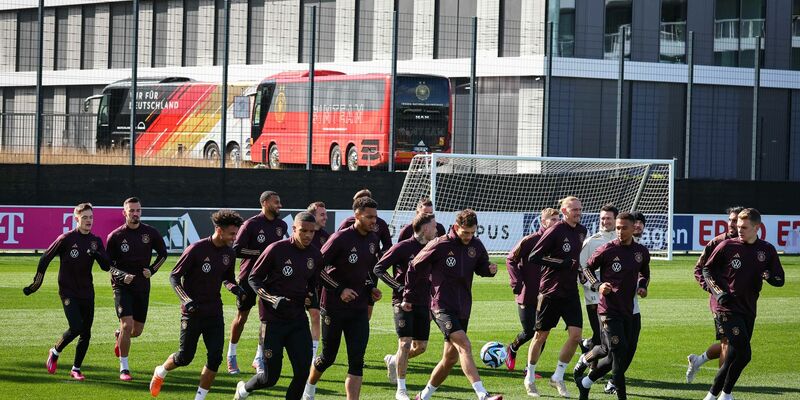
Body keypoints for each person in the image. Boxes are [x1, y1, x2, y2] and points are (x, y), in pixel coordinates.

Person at [404, 209, 502, 400]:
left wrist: (489, 270)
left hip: (463, 307)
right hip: (441, 305)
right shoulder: (440, 244)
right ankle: (483, 395)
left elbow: (481, 266)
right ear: (456, 227)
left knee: (449, 359)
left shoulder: (476, 245)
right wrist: (408, 295)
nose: (469, 236)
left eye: (472, 232)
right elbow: (414, 266)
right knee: (465, 345)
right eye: (465, 232)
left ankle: (422, 396)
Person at [149, 209, 246, 400]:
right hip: (192, 313)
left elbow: (227, 278)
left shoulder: (229, 252)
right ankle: (160, 371)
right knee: (185, 358)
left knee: (215, 358)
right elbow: (174, 277)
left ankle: (199, 398)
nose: (235, 238)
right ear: (219, 230)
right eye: (232, 234)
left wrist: (236, 289)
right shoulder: (196, 249)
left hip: (214, 312)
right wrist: (186, 300)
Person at [233, 212, 323, 400]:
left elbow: (313, 285)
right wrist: (272, 299)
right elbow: (253, 278)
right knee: (269, 378)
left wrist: (309, 298)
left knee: (302, 372)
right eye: (303, 231)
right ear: (293, 229)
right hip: (272, 323)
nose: (308, 235)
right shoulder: (276, 249)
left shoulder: (315, 254)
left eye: (311, 232)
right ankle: (243, 390)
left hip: (298, 321)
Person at [302, 197, 383, 400]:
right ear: (357, 215)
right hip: (334, 306)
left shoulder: (373, 239)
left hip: (358, 308)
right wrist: (340, 290)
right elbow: (316, 269)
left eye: (376, 216)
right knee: (328, 357)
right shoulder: (340, 239)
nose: (374, 221)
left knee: (357, 360)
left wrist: (371, 287)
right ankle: (309, 388)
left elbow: (364, 270)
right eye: (370, 217)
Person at [699, 208, 784, 400]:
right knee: (745, 354)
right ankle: (725, 394)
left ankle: (715, 396)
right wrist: (719, 293)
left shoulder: (767, 250)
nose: (739, 230)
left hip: (749, 309)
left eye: (744, 227)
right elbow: (707, 270)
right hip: (727, 309)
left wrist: (770, 277)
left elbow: (780, 279)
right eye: (738, 226)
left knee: (732, 357)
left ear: (757, 228)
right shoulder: (727, 246)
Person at [23, 203, 111, 381]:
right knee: (76, 327)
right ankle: (55, 351)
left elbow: (106, 266)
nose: (88, 221)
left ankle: (76, 369)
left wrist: (96, 254)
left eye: (91, 217)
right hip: (68, 291)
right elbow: (45, 257)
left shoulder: (96, 241)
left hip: (87, 292)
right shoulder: (66, 239)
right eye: (84, 217)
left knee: (86, 333)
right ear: (76, 218)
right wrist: (36, 283)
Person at [574, 212, 651, 400]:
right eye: (618, 227)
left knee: (619, 355)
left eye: (624, 228)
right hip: (609, 311)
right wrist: (599, 285)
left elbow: (644, 273)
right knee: (618, 354)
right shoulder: (607, 250)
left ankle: (585, 382)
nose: (620, 231)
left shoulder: (641, 252)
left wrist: (642, 286)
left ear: (634, 228)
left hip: (631, 311)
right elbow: (587, 269)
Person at [525, 196, 587, 397]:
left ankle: (558, 377)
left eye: (580, 209)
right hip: (550, 292)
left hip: (570, 292)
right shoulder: (555, 230)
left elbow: (576, 261)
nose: (578, 212)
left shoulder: (581, 231)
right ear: (564, 211)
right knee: (541, 336)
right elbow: (534, 256)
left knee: (576, 335)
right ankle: (530, 377)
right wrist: (562, 262)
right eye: (574, 209)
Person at [375, 212, 439, 400]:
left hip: (423, 303)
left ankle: (394, 360)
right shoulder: (403, 247)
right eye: (434, 226)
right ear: (425, 228)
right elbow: (379, 268)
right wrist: (400, 288)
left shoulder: (433, 248)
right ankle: (401, 389)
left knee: (421, 347)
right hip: (402, 303)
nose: (436, 230)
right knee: (405, 343)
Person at [106, 197, 168, 381]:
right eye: (131, 210)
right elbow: (107, 265)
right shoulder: (115, 236)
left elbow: (163, 254)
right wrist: (121, 276)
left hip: (142, 286)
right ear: (124, 213)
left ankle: (120, 337)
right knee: (127, 325)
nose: (135, 214)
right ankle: (124, 368)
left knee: (136, 331)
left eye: (138, 210)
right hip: (122, 287)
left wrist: (152, 270)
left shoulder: (150, 233)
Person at [227, 191, 288, 374]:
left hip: (270, 280)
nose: (280, 205)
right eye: (276, 202)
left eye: (280, 202)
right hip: (249, 277)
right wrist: (263, 254)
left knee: (267, 320)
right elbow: (236, 250)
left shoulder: (281, 225)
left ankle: (259, 357)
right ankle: (232, 355)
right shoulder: (251, 224)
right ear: (265, 202)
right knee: (241, 317)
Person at [686, 206, 744, 383]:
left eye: (736, 220)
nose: (732, 224)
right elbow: (699, 269)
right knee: (727, 341)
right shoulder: (716, 243)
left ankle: (698, 360)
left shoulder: (750, 244)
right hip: (721, 302)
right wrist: (714, 291)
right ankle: (722, 387)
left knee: (738, 343)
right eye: (730, 220)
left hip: (743, 301)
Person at [504, 208, 560, 371]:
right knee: (529, 332)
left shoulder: (557, 241)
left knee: (542, 333)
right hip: (527, 295)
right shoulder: (530, 240)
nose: (557, 222)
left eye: (558, 219)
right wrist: (517, 282)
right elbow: (510, 259)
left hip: (547, 295)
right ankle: (512, 348)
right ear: (543, 222)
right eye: (553, 219)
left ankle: (529, 369)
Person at [578, 205, 618, 354]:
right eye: (602, 218)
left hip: (616, 296)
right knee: (602, 337)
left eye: (608, 218)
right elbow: (580, 269)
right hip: (594, 296)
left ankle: (586, 345)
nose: (604, 221)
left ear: (615, 220)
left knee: (606, 336)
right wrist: (595, 286)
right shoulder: (591, 242)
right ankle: (590, 368)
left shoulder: (621, 240)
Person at [305, 201, 330, 359]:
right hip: (296, 282)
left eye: (326, 214)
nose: (325, 217)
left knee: (315, 315)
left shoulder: (326, 237)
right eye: (322, 214)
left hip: (316, 284)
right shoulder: (303, 233)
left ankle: (313, 354)